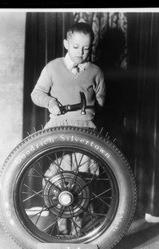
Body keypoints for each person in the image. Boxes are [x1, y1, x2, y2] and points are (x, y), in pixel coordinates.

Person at [31, 22, 106, 236]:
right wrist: (50, 102)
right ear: (66, 43)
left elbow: (102, 102)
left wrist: (92, 102)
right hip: (58, 129)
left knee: (80, 183)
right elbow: (36, 93)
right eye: (75, 47)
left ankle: (78, 235)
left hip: (85, 130)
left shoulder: (96, 72)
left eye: (86, 48)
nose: (81, 53)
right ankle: (62, 228)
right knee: (56, 180)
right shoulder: (53, 67)